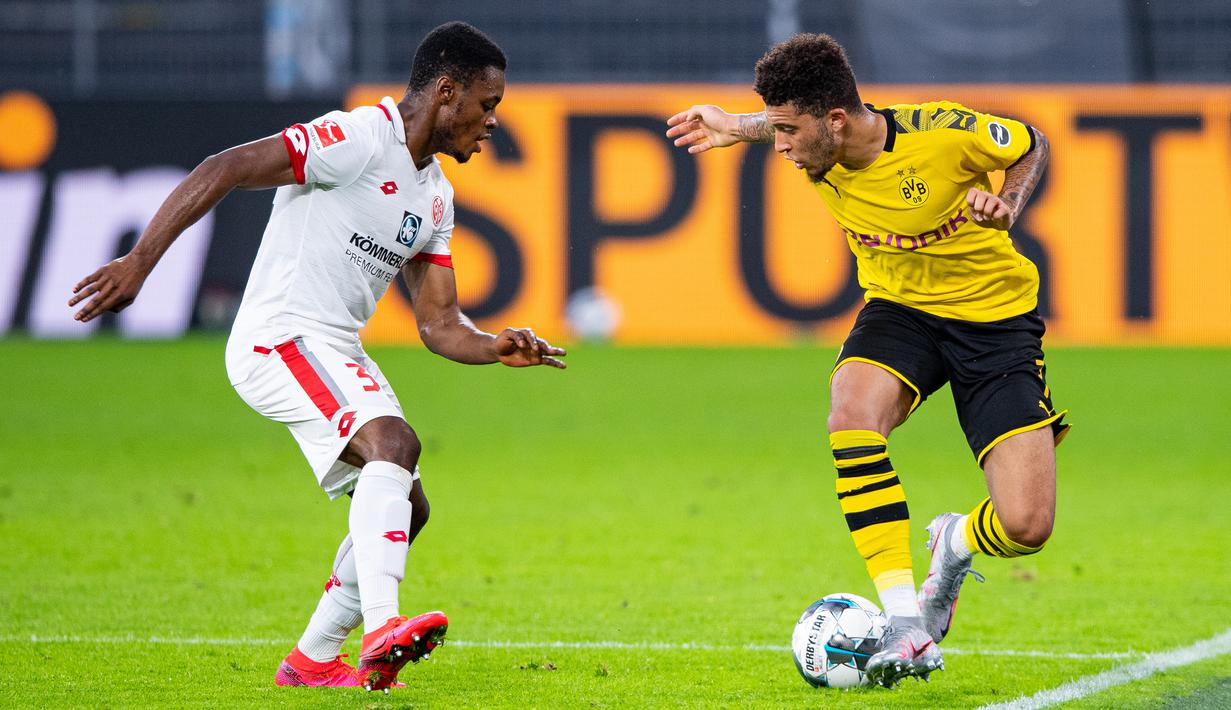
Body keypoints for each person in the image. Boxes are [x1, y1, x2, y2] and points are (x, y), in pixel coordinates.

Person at [68, 21, 566, 692]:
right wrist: (139, 261)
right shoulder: (357, 138)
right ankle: (381, 628)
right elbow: (225, 168)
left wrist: (494, 345)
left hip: (332, 346)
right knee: (393, 441)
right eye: (488, 103)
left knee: (407, 505)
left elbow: (440, 323)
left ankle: (311, 660)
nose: (493, 121)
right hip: (278, 336)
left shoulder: (434, 196)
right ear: (446, 92)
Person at [667, 33, 1067, 688]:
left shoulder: (942, 133)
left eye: (789, 131)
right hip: (899, 311)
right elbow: (777, 123)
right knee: (849, 412)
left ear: (834, 120)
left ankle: (954, 545)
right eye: (775, 131)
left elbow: (1029, 142)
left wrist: (1006, 207)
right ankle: (905, 618)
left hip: (994, 323)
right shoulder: (812, 145)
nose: (783, 147)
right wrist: (733, 126)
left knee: (1026, 524)